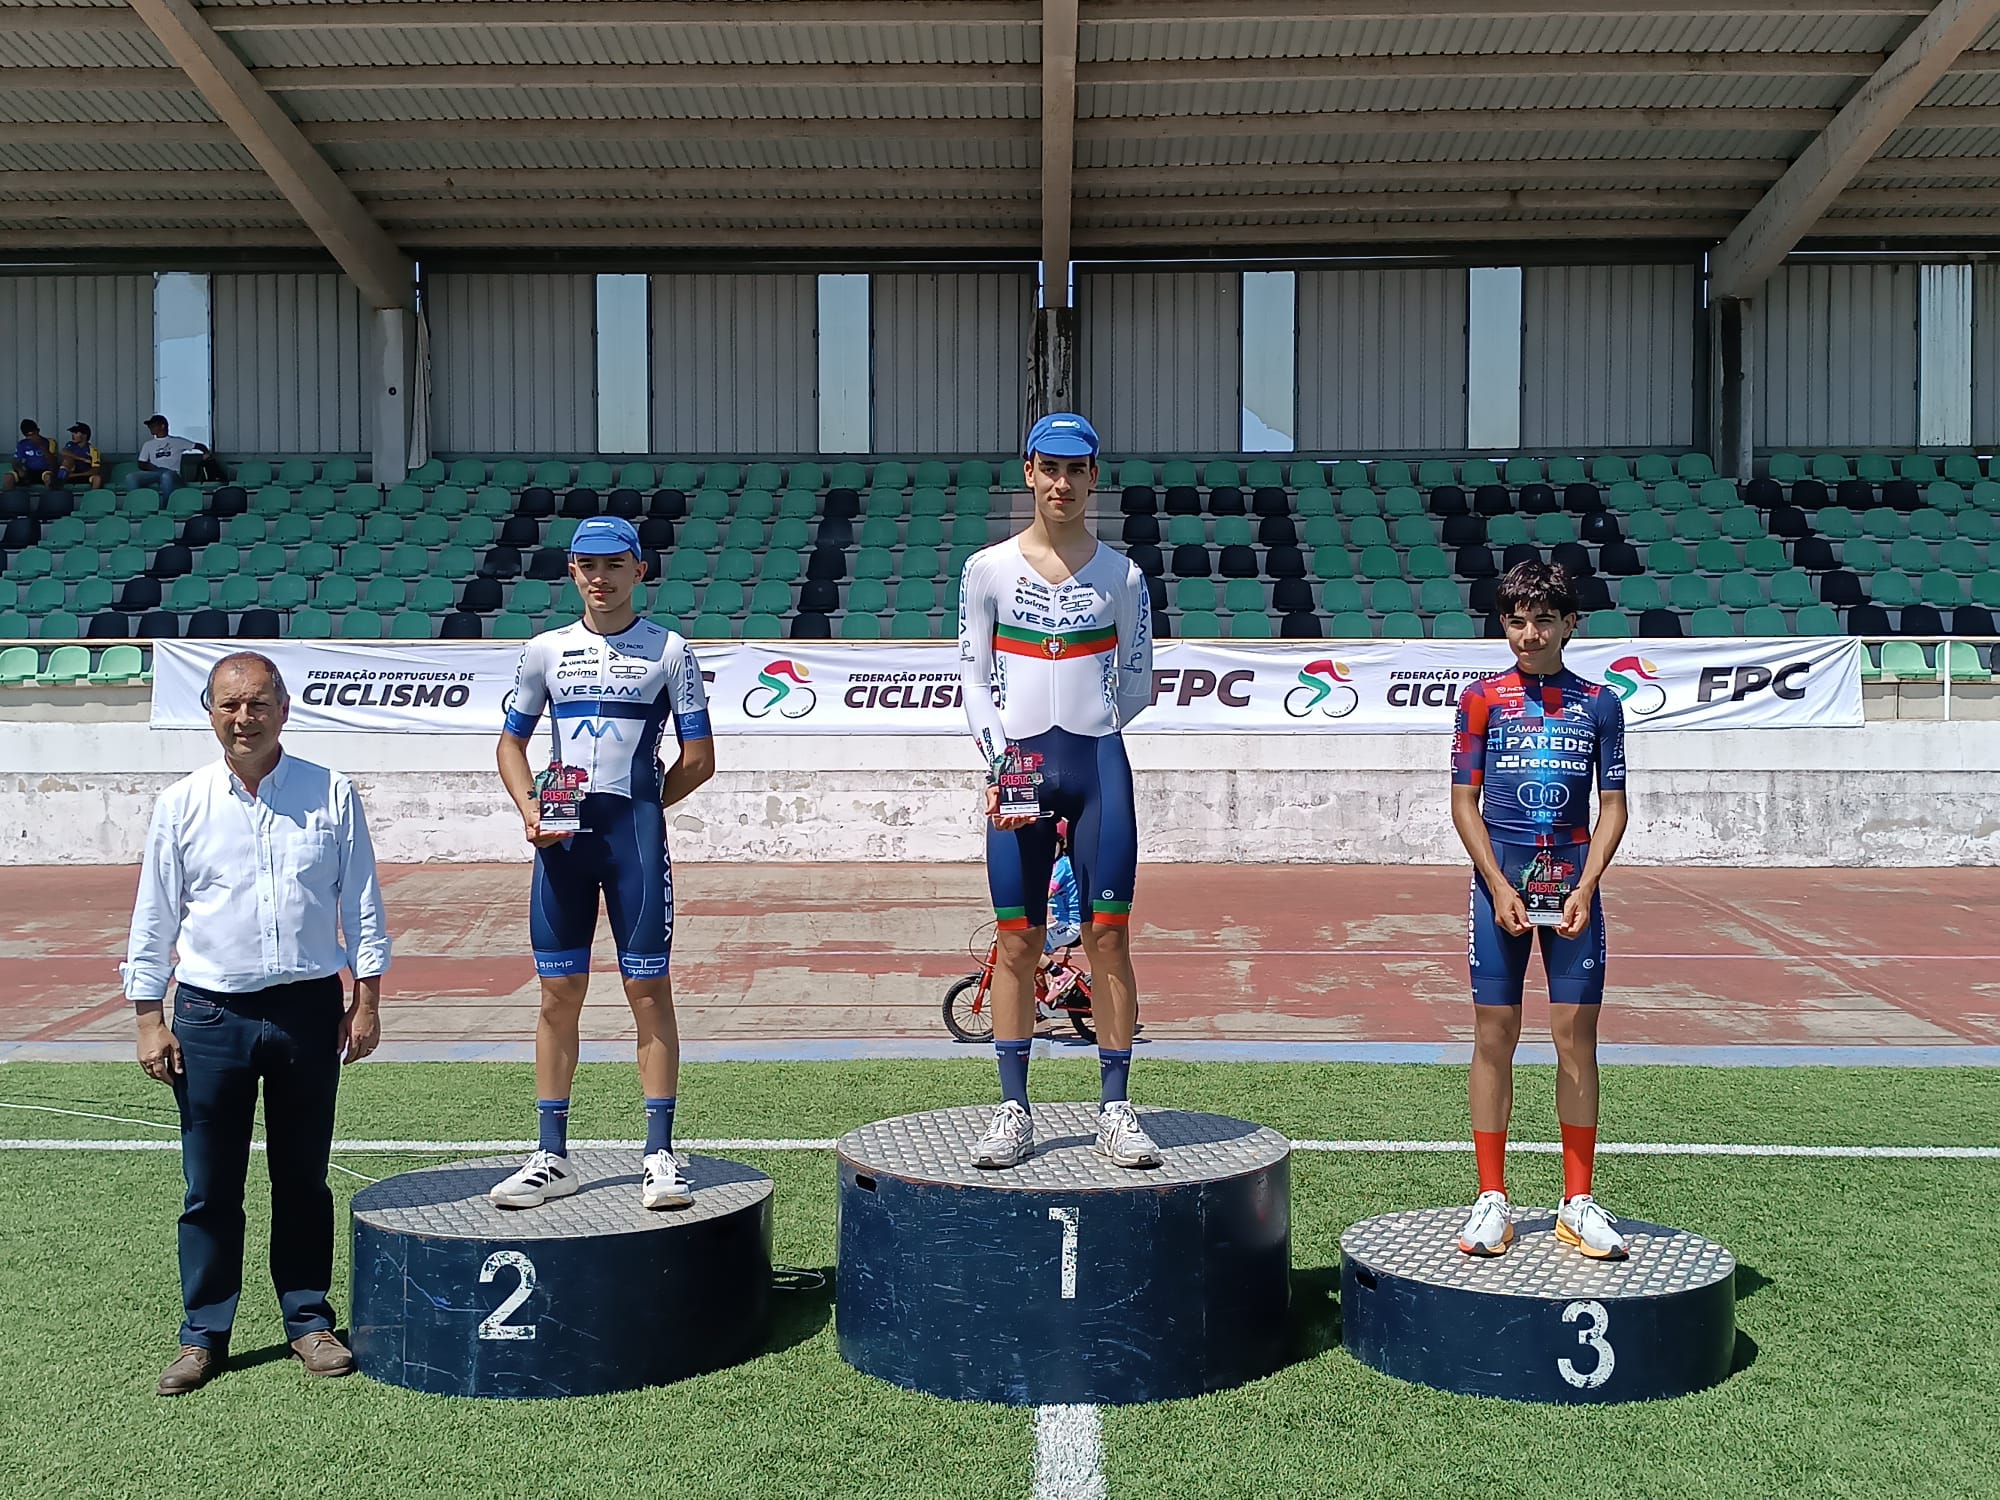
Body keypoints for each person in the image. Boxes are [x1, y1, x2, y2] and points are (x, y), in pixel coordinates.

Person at [122, 652, 390, 1395]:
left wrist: (367, 998)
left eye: (259, 704)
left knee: (302, 1178)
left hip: (308, 1010)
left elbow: (362, 901)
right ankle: (203, 1335)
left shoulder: (329, 792)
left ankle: (308, 1321)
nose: (245, 719)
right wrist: (149, 1017)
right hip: (210, 1015)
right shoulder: (181, 803)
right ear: (210, 713)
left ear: (284, 709)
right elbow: (154, 915)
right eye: (230, 705)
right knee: (210, 1186)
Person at [488, 514, 716, 1212]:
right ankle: (550, 1156)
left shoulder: (670, 650)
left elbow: (699, 760)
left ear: (639, 571)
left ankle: (660, 1155)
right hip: (561, 846)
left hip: (633, 845)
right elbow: (510, 745)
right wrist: (532, 809)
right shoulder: (545, 651)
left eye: (615, 565)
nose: (600, 577)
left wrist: (642, 807)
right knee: (557, 994)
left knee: (648, 991)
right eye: (588, 565)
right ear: (572, 573)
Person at [956, 411, 1156, 1170]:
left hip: (1097, 766)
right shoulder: (988, 569)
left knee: (1109, 937)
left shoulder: (1123, 576)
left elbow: (1136, 684)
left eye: (1076, 470)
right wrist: (1001, 762)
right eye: (1050, 468)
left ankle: (1116, 1109)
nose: (1062, 483)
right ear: (1029, 473)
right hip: (1018, 768)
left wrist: (1097, 726)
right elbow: (974, 682)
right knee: (1017, 940)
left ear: (1094, 477)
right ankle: (1013, 1110)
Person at [1449, 560, 1630, 1260]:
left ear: (1570, 624)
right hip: (1500, 887)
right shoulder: (1480, 700)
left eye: (1544, 620)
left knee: (1575, 1038)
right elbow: (1464, 802)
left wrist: (1587, 885)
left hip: (1575, 892)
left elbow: (1613, 807)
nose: (1530, 634)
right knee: (1494, 1034)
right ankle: (1492, 1198)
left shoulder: (1601, 704)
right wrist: (1497, 884)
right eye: (1517, 621)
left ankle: (1576, 1202)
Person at [132, 414, 223, 494]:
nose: (150, 427)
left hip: (172, 473)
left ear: (163, 426)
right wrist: (152, 467)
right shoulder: (148, 444)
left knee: (166, 476)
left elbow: (199, 446)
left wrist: (206, 453)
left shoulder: (177, 441)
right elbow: (141, 463)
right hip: (155, 472)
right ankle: (135, 502)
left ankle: (167, 505)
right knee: (131, 478)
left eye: (153, 425)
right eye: (150, 426)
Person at [4, 419, 58, 489]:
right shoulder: (22, 444)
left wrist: (43, 448)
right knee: (8, 477)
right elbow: (16, 462)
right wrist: (19, 469)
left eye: (33, 434)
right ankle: (9, 496)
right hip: (28, 472)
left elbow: (54, 463)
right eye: (27, 435)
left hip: (44, 472)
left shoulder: (48, 442)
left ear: (38, 431)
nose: (31, 438)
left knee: (48, 477)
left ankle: (49, 496)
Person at [56, 422, 103, 489]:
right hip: (70, 474)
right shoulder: (70, 445)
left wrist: (78, 475)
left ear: (84, 435)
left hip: (84, 475)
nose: (72, 434)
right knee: (67, 460)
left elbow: (96, 470)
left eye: (76, 432)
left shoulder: (93, 450)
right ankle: (58, 489)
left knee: (97, 478)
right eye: (72, 432)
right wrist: (82, 459)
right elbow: (63, 452)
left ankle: (92, 495)